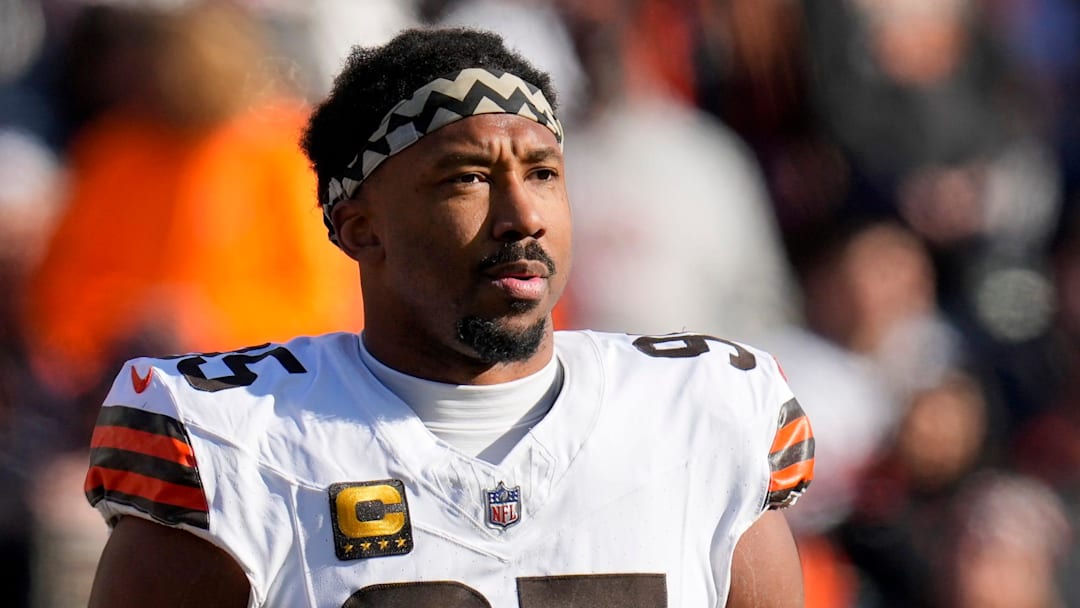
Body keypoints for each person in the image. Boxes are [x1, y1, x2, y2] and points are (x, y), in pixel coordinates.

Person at [84, 28, 814, 607]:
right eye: (468, 178)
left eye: (543, 173)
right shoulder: (231, 442)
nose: (522, 216)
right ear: (361, 227)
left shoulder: (705, 414)